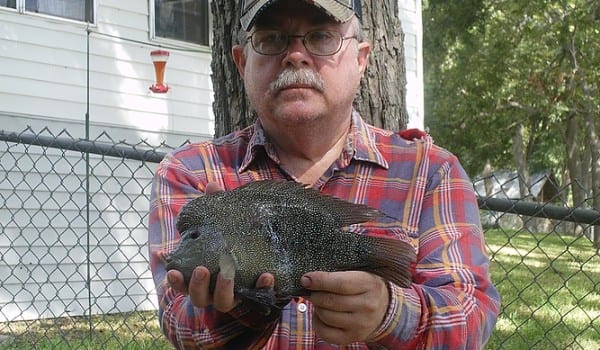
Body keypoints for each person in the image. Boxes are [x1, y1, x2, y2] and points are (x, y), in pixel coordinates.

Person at [148, 0, 501, 348]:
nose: (295, 55)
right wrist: (243, 303)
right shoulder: (189, 171)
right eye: (272, 39)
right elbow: (182, 327)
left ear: (361, 59)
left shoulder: (431, 171)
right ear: (242, 63)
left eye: (320, 37)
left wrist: (389, 313)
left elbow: (471, 318)